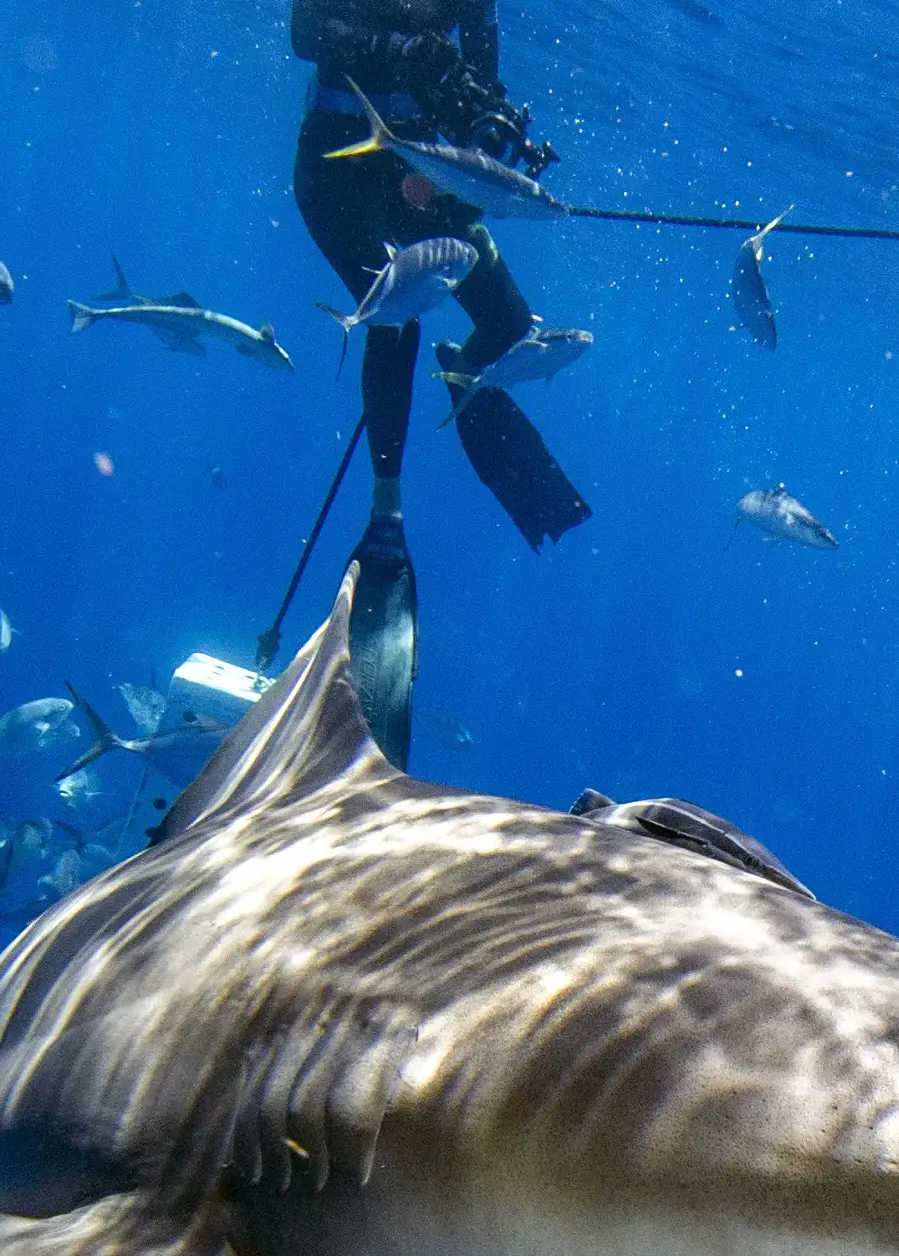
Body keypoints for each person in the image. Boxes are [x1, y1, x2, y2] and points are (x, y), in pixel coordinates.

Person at [292, 1, 588, 755]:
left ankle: (465, 381)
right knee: (397, 317)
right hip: (336, 165)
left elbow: (482, 84)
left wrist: (481, 147)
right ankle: (385, 512)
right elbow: (307, 33)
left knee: (511, 324)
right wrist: (401, 48)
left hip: (421, 167)